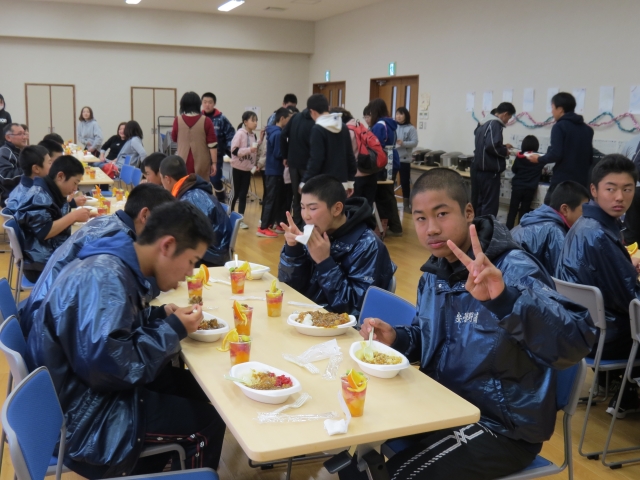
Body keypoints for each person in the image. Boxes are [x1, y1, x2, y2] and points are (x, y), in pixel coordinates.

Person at [338, 168, 595, 480]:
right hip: (442, 407)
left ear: (468, 212)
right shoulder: (435, 274)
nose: (431, 228)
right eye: (420, 218)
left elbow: (575, 342)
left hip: (500, 427)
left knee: (395, 476)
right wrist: (397, 338)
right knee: (351, 441)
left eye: (442, 214)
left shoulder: (512, 269)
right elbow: (430, 338)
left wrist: (506, 301)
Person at [26, 201, 226, 478]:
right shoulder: (105, 278)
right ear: (167, 246)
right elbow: (110, 368)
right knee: (208, 424)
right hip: (84, 418)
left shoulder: (113, 264)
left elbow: (111, 333)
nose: (190, 273)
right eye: (192, 261)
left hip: (79, 392)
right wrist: (172, 329)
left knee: (195, 388)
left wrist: (159, 315)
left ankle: (163, 467)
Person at [19, 183, 175, 337]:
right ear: (145, 216)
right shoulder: (119, 240)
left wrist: (156, 314)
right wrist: (160, 278)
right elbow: (110, 333)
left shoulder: (108, 222)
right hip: (49, 329)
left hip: (44, 316)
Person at [556, 154, 640, 417]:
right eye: (611, 189)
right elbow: (631, 300)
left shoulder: (585, 224)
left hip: (580, 329)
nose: (620, 197)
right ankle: (626, 393)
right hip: (603, 338)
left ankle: (623, 393)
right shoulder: (599, 235)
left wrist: (625, 264)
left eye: (627, 189)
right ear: (593, 190)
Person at [278, 175, 396, 317]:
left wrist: (325, 263)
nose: (305, 216)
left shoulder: (368, 246)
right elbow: (289, 288)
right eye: (303, 207)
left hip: (337, 325)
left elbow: (355, 310)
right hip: (304, 315)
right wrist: (293, 249)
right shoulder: (316, 231)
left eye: (313, 208)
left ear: (337, 209)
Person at [12, 155, 90, 282]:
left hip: (49, 255)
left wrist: (78, 216)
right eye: (75, 183)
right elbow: (44, 232)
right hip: (40, 265)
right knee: (91, 267)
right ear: (60, 176)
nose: (75, 189)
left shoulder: (51, 190)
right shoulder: (38, 195)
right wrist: (74, 216)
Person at [159, 155, 232, 267]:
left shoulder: (191, 199)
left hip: (212, 256)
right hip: (213, 249)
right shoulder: (190, 190)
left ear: (167, 179)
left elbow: (190, 237)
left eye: (161, 178)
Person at [527, 92, 595, 203]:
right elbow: (590, 158)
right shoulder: (587, 130)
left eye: (552, 108)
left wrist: (538, 159)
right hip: (582, 182)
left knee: (551, 209)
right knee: (575, 211)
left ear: (560, 109)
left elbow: (556, 154)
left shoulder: (559, 127)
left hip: (562, 181)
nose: (552, 111)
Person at [511, 181, 589, 275]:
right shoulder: (555, 232)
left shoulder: (529, 220)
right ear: (565, 209)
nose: (585, 217)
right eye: (583, 211)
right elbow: (564, 275)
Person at [301, 95, 356, 193]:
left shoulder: (317, 129)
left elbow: (316, 159)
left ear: (312, 111)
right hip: (342, 183)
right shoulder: (343, 127)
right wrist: (350, 181)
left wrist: (305, 182)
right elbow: (350, 156)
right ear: (328, 108)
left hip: (323, 185)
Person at [473, 102, 515, 217]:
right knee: (490, 206)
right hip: (490, 172)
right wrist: (505, 151)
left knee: (480, 203)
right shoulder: (495, 124)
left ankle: (478, 227)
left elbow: (486, 144)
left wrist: (503, 146)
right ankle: (487, 228)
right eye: (509, 118)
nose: (507, 121)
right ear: (505, 114)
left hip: (480, 171)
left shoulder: (483, 123)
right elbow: (491, 146)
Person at [368, 98, 403, 236]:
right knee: (388, 194)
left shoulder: (379, 125)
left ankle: (393, 226)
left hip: (385, 162)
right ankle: (392, 225)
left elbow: (375, 146)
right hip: (392, 159)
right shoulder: (390, 123)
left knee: (384, 195)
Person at [331, 107, 378, 208]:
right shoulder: (360, 126)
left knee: (353, 208)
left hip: (356, 175)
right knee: (367, 208)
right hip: (371, 172)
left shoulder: (346, 131)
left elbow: (344, 156)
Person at [258, 107, 291, 237]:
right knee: (271, 199)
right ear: (282, 119)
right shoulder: (277, 134)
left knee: (276, 199)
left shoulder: (274, 132)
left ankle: (274, 224)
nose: (289, 122)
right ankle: (263, 227)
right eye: (288, 119)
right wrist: (288, 154)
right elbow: (278, 153)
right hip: (275, 171)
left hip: (274, 171)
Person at [281, 106, 315, 226]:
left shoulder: (295, 117)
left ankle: (296, 223)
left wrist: (285, 155)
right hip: (307, 163)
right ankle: (307, 224)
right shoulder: (314, 121)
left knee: (296, 195)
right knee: (309, 195)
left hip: (293, 162)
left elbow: (283, 134)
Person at [172, 91, 217, 181]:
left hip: (182, 161)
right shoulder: (206, 120)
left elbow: (174, 138)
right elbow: (212, 145)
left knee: (183, 185)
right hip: (202, 161)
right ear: (198, 104)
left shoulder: (177, 120)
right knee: (201, 185)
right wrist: (214, 163)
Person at [201, 92, 235, 202]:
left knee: (215, 179)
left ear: (214, 103)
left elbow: (230, 134)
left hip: (217, 155)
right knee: (201, 181)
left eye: (210, 102)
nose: (207, 105)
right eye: (205, 102)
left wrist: (230, 150)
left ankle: (221, 200)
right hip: (201, 156)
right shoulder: (199, 118)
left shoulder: (221, 118)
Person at [506, 135, 543, 229]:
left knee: (512, 211)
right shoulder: (538, 158)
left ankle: (507, 232)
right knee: (524, 212)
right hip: (530, 188)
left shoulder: (520, 157)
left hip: (517, 187)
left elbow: (514, 170)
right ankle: (521, 233)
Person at [230, 111, 259, 228]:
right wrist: (248, 150)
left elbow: (254, 151)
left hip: (247, 170)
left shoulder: (254, 136)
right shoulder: (240, 134)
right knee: (235, 193)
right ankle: (229, 214)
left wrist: (255, 164)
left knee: (243, 195)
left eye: (256, 120)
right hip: (237, 168)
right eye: (253, 120)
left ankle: (240, 219)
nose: (255, 123)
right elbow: (234, 150)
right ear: (245, 122)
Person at [5, 145, 54, 213]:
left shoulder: (22, 187)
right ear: (36, 169)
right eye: (50, 163)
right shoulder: (35, 197)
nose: (52, 166)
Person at [395, 106, 419, 212]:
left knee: (405, 182)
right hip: (393, 159)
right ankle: (391, 203)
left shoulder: (411, 128)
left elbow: (415, 142)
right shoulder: (393, 126)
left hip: (404, 159)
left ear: (406, 116)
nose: (398, 116)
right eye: (397, 114)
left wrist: (403, 143)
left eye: (401, 114)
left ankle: (406, 205)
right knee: (390, 181)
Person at [0, 123, 27, 205]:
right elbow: (6, 177)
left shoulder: (22, 151)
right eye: (20, 134)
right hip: (10, 200)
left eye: (24, 133)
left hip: (23, 196)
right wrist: (30, 170)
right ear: (8, 137)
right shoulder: (4, 152)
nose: (24, 137)